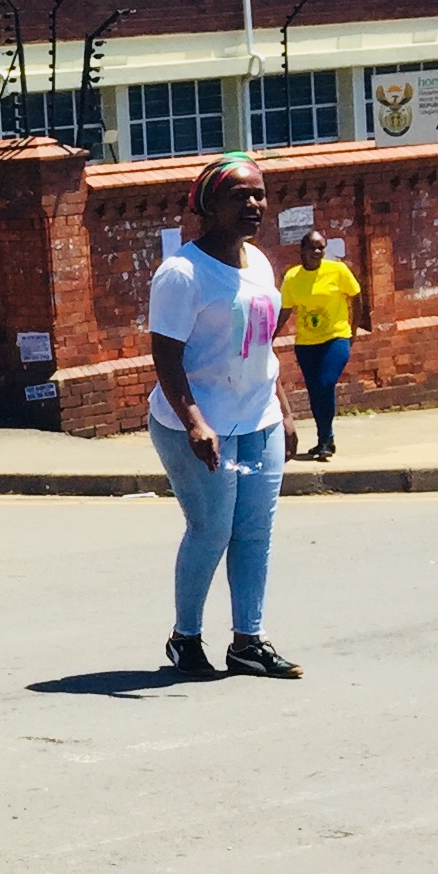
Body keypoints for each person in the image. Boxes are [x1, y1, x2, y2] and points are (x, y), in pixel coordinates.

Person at [147, 159, 302, 680]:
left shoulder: (257, 262)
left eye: (259, 194)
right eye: (239, 196)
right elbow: (165, 357)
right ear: (207, 205)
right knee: (211, 529)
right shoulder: (182, 274)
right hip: (197, 426)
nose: (254, 205)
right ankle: (185, 637)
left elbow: (260, 345)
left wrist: (284, 408)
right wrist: (194, 422)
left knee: (255, 531)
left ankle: (248, 642)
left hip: (258, 420)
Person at [276, 230, 361, 462]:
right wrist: (269, 336)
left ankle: (326, 439)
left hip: (336, 338)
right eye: (312, 247)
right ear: (302, 250)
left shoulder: (338, 270)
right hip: (306, 344)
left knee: (325, 383)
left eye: (321, 247)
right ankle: (324, 438)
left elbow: (356, 296)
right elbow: (285, 310)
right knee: (315, 391)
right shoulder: (293, 277)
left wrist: (352, 330)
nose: (317, 252)